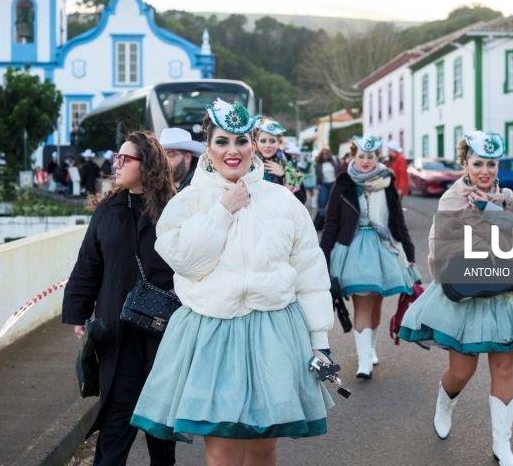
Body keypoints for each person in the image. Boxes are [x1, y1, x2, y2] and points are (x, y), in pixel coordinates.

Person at [131, 99, 334, 466]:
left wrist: (319, 340)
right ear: (208, 146)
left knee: (262, 448)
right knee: (221, 451)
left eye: (241, 140)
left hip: (274, 330)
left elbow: (309, 273)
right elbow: (188, 262)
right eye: (222, 141)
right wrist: (224, 209)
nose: (232, 151)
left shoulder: (282, 201)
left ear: (254, 142)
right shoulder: (188, 201)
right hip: (211, 333)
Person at [398, 131, 513, 466]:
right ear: (465, 163)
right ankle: (445, 402)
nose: (485, 171)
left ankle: (502, 445)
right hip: (468, 293)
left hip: (505, 292)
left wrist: (492, 212)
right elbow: (440, 251)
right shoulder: (451, 200)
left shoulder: (511, 200)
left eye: (490, 164)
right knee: (462, 371)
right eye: (478, 163)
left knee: (503, 368)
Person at [62, 130, 178, 466]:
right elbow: (88, 265)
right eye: (116, 157)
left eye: (125, 158)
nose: (117, 163)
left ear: (148, 164)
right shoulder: (107, 210)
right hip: (117, 334)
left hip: (164, 336)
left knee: (161, 439)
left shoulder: (174, 209)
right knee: (114, 434)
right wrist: (80, 316)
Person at [320, 134, 419, 380]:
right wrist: (324, 255)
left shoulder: (387, 181)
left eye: (370, 156)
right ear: (354, 156)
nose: (365, 161)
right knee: (363, 300)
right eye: (361, 156)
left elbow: (397, 219)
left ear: (377, 157)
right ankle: (363, 361)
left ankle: (370, 349)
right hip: (352, 247)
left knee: (376, 302)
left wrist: (408, 249)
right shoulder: (343, 182)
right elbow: (331, 223)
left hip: (384, 246)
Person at [254, 117, 306, 203]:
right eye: (263, 141)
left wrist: (285, 174)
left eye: (272, 141)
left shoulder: (288, 161)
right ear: (256, 142)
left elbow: (301, 198)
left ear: (279, 142)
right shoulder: (249, 161)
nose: (268, 145)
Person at [314, 148, 339, 229]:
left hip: (333, 184)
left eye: (326, 153)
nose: (325, 154)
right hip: (323, 184)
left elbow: (337, 172)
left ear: (328, 154)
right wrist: (318, 185)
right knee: (322, 203)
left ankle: (331, 224)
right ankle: (320, 223)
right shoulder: (318, 164)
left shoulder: (333, 162)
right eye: (323, 153)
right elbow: (317, 176)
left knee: (332, 203)